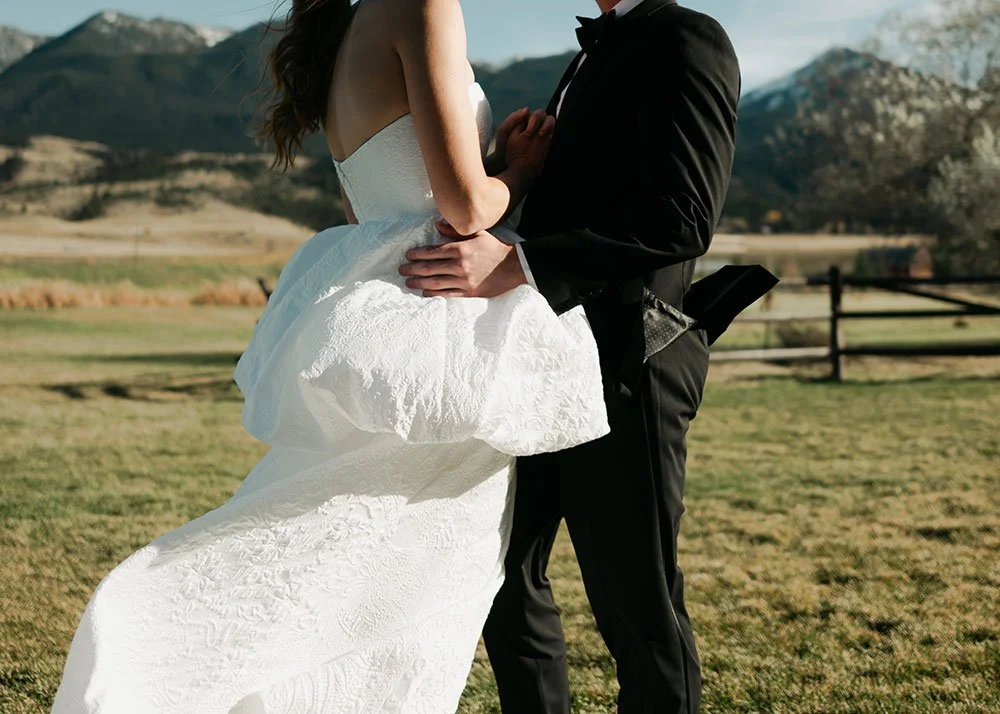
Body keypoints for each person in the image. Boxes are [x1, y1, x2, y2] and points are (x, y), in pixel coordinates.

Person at [49, 0, 632, 711]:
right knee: (410, 580)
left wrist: (484, 165)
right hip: (435, 323)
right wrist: (517, 168)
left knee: (353, 557)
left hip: (383, 301)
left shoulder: (346, 29)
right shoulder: (423, 6)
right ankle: (163, 637)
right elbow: (465, 207)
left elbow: (374, 203)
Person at [400, 1, 775, 712]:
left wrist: (520, 265)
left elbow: (683, 215)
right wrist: (513, 170)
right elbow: (584, 201)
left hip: (632, 360)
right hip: (544, 361)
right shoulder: (592, 56)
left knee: (636, 609)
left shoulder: (687, 38)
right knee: (500, 576)